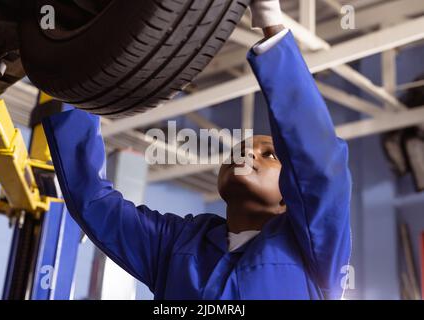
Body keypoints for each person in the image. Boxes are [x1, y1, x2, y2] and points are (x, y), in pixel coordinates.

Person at [42, 0, 352, 300]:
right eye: (239, 150)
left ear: (289, 196)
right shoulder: (176, 244)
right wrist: (70, 67)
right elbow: (93, 202)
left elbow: (319, 166)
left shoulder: (315, 255)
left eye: (268, 154)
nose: (246, 154)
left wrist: (271, 22)